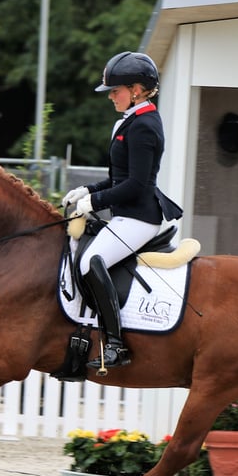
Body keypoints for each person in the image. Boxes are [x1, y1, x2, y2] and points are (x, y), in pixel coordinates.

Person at [62, 51, 182, 370]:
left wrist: (95, 204)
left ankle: (116, 344)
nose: (111, 96)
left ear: (137, 90)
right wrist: (89, 190)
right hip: (126, 214)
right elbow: (119, 178)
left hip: (139, 217)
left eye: (115, 91)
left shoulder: (144, 125)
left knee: (90, 262)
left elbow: (138, 186)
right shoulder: (133, 120)